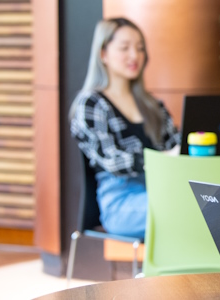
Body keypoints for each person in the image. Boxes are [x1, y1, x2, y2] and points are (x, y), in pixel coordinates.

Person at [70, 18, 180, 239]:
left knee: (205, 206)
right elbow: (112, 162)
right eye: (124, 48)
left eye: (140, 48)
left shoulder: (152, 105)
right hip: (121, 201)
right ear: (103, 54)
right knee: (184, 211)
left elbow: (176, 146)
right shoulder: (91, 104)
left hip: (163, 190)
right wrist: (162, 158)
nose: (134, 56)